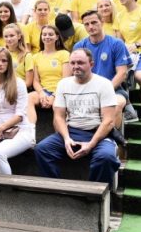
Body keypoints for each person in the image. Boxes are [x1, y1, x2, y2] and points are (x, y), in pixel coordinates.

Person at [34, 48, 121, 188]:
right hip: (72, 131)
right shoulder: (63, 84)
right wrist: (66, 139)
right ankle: (55, 190)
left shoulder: (104, 84)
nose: (75, 66)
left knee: (106, 157)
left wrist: (91, 144)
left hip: (99, 133)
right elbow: (59, 117)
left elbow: (108, 121)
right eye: (72, 63)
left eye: (80, 63)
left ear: (91, 64)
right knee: (42, 149)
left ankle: (95, 195)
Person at [0, 48, 35, 174]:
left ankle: (7, 186)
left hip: (21, 129)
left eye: (4, 61)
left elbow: (20, 115)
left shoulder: (19, 83)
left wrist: (0, 129)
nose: (0, 64)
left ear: (9, 64)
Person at [75, 10, 134, 125]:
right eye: (86, 24)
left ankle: (112, 136)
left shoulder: (116, 44)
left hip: (114, 90)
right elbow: (75, 73)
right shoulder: (79, 46)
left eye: (94, 22)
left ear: (102, 22)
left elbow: (122, 73)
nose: (90, 27)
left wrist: (103, 92)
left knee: (116, 105)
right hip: (86, 91)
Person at [27, 25, 71, 117]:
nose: (47, 37)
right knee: (28, 98)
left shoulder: (64, 54)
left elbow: (66, 80)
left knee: (57, 105)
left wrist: (54, 96)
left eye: (50, 34)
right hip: (44, 91)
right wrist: (41, 93)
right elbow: (36, 81)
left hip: (61, 91)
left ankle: (61, 126)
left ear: (57, 37)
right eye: (44, 34)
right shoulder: (35, 57)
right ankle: (30, 126)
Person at [3, 23, 33, 89]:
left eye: (12, 36)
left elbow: (29, 82)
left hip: (20, 89)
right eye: (6, 36)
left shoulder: (27, 56)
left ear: (19, 36)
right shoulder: (2, 54)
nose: (9, 39)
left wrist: (13, 88)